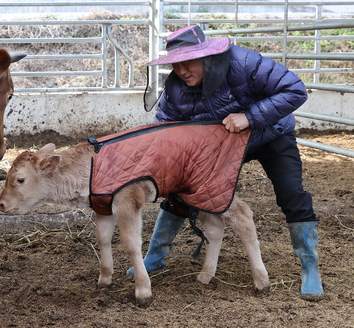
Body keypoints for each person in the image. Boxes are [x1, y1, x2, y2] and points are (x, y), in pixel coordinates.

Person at [128, 25, 324, 300]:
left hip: (269, 135)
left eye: (188, 62)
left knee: (291, 193)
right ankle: (154, 257)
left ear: (206, 56)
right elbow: (164, 127)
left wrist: (249, 117)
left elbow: (294, 89)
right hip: (221, 147)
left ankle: (309, 266)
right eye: (176, 64)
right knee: (182, 190)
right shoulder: (175, 87)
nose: (182, 71)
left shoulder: (243, 64)